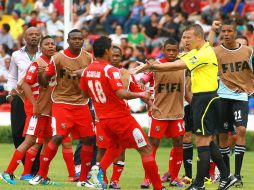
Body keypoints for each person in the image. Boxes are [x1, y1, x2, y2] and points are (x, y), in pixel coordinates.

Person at [134, 24, 237, 190]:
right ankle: (227, 176)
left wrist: (150, 66)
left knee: (202, 144)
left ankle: (198, 184)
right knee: (208, 142)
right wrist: (212, 31)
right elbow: (206, 42)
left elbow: (176, 65)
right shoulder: (203, 49)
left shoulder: (202, 54)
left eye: (188, 37)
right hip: (204, 99)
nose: (185, 41)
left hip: (206, 98)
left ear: (197, 37)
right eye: (183, 37)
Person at [80, 36, 166, 190]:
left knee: (116, 147)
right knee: (146, 148)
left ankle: (97, 171)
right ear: (106, 51)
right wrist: (141, 95)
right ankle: (159, 187)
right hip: (120, 118)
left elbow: (85, 94)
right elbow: (120, 93)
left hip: (103, 119)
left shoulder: (87, 71)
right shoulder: (110, 70)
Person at [29, 29, 95, 187]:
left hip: (81, 103)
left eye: (80, 39)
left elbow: (93, 76)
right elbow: (45, 80)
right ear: (68, 40)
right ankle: (41, 175)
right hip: (61, 102)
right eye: (74, 39)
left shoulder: (88, 57)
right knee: (58, 136)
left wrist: (85, 74)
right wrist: (42, 75)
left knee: (89, 139)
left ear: (83, 40)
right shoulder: (58, 57)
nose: (77, 41)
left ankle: (84, 179)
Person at [1, 35, 55, 185]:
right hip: (37, 109)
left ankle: (41, 176)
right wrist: (33, 103)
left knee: (46, 141)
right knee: (30, 140)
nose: (51, 46)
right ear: (41, 47)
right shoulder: (37, 63)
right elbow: (23, 84)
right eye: (47, 44)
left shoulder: (54, 62)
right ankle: (8, 172)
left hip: (48, 109)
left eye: (53, 44)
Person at [139, 38, 192, 188]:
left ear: (177, 50)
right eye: (168, 50)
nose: (171, 53)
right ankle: (147, 178)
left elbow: (186, 92)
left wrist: (195, 105)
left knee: (179, 143)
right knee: (153, 144)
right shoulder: (155, 66)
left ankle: (174, 177)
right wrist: (143, 86)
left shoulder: (182, 66)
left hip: (177, 113)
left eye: (174, 50)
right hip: (158, 113)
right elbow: (143, 80)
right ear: (163, 50)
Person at [209, 20, 254, 188]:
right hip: (222, 96)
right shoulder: (217, 51)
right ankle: (226, 176)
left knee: (241, 130)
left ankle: (237, 174)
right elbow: (204, 50)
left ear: (236, 32)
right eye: (224, 31)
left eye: (229, 31)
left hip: (240, 96)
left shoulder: (248, 52)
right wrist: (212, 31)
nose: (226, 34)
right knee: (223, 135)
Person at [6, 27, 41, 176]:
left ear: (40, 37)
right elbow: (12, 76)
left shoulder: (46, 54)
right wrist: (10, 94)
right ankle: (27, 168)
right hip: (20, 98)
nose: (34, 36)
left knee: (37, 136)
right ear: (24, 38)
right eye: (30, 34)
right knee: (17, 134)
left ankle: (34, 171)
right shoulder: (16, 55)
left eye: (36, 34)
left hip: (39, 99)